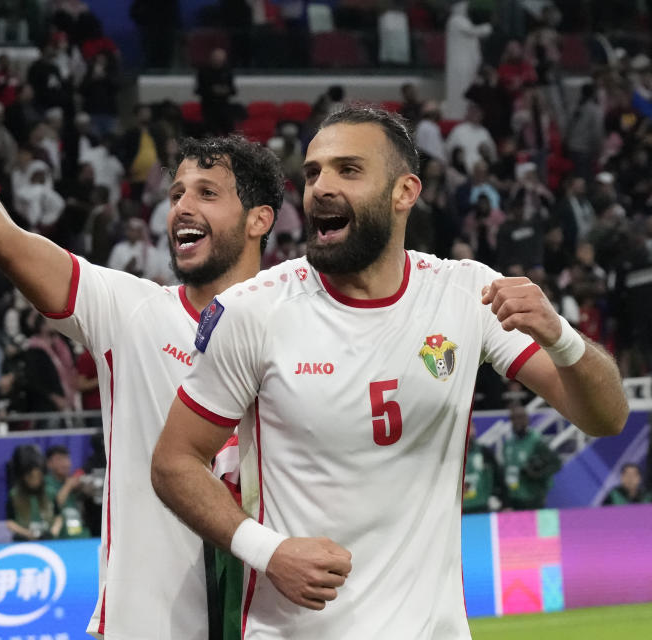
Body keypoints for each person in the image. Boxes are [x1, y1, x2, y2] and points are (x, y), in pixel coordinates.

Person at [0, 34, 283, 640]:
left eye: (205, 193)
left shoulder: (299, 332)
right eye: (175, 195)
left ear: (259, 220)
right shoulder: (132, 312)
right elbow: (7, 240)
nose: (180, 208)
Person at [151, 106, 628, 638]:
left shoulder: (466, 293)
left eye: (348, 170)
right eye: (313, 173)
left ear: (405, 192)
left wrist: (561, 337)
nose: (321, 188)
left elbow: (606, 417)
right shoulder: (253, 311)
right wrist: (269, 552)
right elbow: (174, 462)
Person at [501, 402, 562, 510]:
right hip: (515, 498)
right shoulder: (508, 444)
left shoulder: (536, 441)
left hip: (533, 498)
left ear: (527, 419)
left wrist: (536, 474)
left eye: (521, 417)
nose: (517, 421)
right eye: (513, 418)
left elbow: (556, 464)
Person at [45, 445, 90, 539]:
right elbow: (54, 506)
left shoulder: (75, 482)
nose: (65, 464)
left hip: (79, 532)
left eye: (67, 459)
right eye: (59, 460)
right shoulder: (45, 483)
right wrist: (68, 486)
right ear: (49, 463)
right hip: (59, 535)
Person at [462, 424, 502, 514]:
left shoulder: (484, 452)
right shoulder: (447, 456)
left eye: (469, 427)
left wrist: (496, 496)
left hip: (481, 509)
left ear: (474, 430)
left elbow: (498, 476)